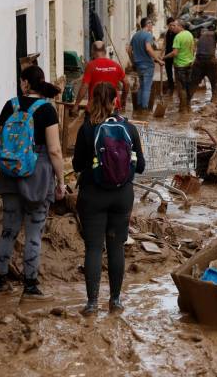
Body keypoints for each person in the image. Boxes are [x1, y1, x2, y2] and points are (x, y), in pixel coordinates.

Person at [0, 65, 66, 300]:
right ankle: (31, 285)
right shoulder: (47, 110)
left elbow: (1, 140)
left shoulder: (9, 105)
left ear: (24, 83)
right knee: (34, 232)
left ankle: (1, 282)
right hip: (38, 174)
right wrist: (61, 182)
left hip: (10, 172)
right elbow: (54, 150)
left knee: (8, 230)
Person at [72, 82, 145, 315]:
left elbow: (76, 164)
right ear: (116, 101)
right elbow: (141, 166)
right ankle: (115, 301)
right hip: (122, 196)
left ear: (92, 101)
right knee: (116, 247)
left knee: (93, 248)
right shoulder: (129, 128)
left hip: (93, 195)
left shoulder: (87, 129)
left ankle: (92, 303)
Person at [73, 41, 130, 115]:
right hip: (112, 108)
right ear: (105, 51)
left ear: (92, 51)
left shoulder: (91, 66)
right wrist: (123, 100)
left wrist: (76, 105)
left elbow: (84, 86)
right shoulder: (116, 65)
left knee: (89, 126)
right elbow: (127, 83)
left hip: (95, 108)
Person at [128, 18, 164, 110]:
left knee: (141, 86)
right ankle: (144, 109)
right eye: (151, 23)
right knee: (147, 88)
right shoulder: (148, 35)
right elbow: (148, 48)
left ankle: (139, 108)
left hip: (138, 65)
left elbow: (129, 50)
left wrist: (133, 62)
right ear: (147, 24)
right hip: (147, 65)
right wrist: (158, 60)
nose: (152, 25)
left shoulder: (135, 35)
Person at [162, 20, 195, 113]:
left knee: (182, 88)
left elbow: (175, 53)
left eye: (175, 26)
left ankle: (183, 109)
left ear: (180, 26)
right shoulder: (189, 34)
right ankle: (188, 106)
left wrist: (164, 57)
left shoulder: (178, 37)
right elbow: (193, 48)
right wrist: (191, 58)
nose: (173, 28)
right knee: (188, 86)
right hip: (189, 64)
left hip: (180, 66)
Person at [191, 29, 217, 103]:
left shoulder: (200, 39)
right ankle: (214, 101)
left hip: (198, 61)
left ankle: (186, 104)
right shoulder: (212, 34)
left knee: (193, 83)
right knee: (215, 83)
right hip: (210, 61)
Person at [162, 17, 177, 94]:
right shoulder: (167, 33)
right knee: (168, 71)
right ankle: (171, 87)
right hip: (168, 54)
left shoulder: (177, 33)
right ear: (168, 25)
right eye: (170, 25)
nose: (172, 27)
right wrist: (161, 55)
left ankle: (178, 86)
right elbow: (164, 44)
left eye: (173, 25)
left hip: (175, 54)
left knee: (177, 70)